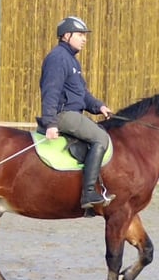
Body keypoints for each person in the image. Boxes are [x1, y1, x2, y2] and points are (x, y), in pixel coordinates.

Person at [37, 16, 115, 209]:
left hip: (73, 112)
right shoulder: (58, 58)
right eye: (80, 35)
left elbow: (81, 94)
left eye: (84, 35)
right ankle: (88, 193)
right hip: (64, 115)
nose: (84, 39)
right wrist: (50, 123)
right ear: (66, 35)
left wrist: (99, 107)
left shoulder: (71, 61)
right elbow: (51, 91)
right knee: (101, 138)